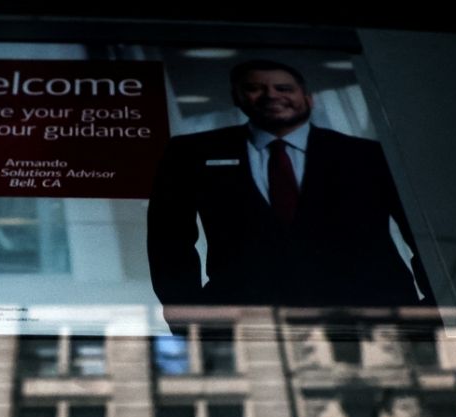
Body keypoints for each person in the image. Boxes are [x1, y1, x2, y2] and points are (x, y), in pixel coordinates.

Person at [147, 59, 433, 309]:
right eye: (255, 88)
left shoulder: (369, 155)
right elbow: (168, 241)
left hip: (377, 317)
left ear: (309, 99)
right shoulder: (192, 152)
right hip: (248, 322)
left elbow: (423, 234)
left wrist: (435, 307)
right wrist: (188, 317)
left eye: (284, 88)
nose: (271, 95)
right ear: (237, 97)